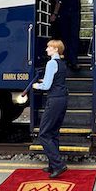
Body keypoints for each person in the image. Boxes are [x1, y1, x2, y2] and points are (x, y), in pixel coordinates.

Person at [32, 39, 69, 178]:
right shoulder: (62, 64)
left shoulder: (51, 63)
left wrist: (36, 85)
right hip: (62, 99)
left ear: (55, 49)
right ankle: (52, 165)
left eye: (49, 47)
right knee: (53, 133)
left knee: (43, 134)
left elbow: (47, 86)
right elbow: (56, 80)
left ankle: (58, 165)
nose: (46, 49)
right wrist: (45, 81)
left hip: (54, 100)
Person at [49, 0, 93, 69]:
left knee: (74, 36)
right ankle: (65, 61)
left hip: (75, 13)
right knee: (64, 36)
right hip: (63, 13)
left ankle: (73, 61)